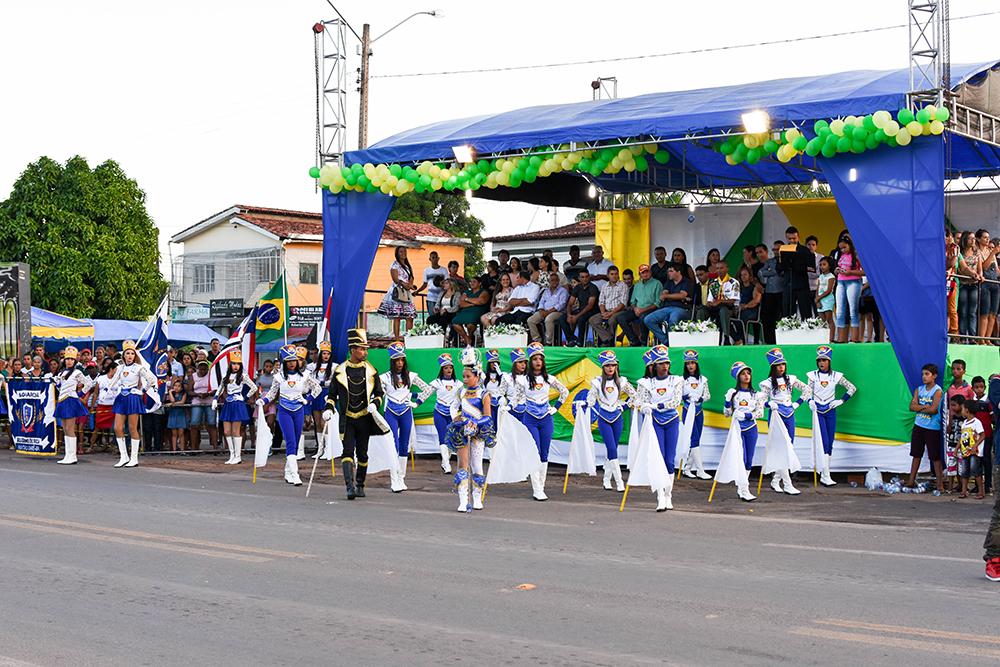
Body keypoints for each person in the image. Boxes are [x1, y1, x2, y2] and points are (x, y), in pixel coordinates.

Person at [324, 329, 387, 499]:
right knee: (347, 452)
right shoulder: (339, 371)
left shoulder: (372, 371)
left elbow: (380, 394)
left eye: (366, 349)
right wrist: (329, 409)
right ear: (352, 350)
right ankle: (349, 486)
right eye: (361, 349)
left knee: (363, 453)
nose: (365, 352)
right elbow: (331, 396)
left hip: (365, 418)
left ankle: (360, 484)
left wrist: (375, 404)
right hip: (347, 418)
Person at [259, 345, 321, 485]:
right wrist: (262, 401)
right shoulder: (278, 377)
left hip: (298, 410)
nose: (292, 363)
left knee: (296, 440)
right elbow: (272, 394)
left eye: (295, 360)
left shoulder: (305, 375)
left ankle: (288, 472)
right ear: (284, 362)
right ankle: (295, 473)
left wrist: (307, 400)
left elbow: (317, 388)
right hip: (284, 411)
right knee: (291, 442)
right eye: (289, 360)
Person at [379, 341, 432, 493]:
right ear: (392, 361)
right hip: (391, 412)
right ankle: (393, 478)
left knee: (404, 445)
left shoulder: (411, 376)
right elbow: (379, 394)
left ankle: (401, 477)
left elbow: (428, 389)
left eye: (402, 359)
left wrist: (417, 402)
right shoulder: (385, 378)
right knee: (392, 443)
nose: (400, 363)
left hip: (406, 412)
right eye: (397, 360)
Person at [635, 344, 683, 511]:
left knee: (670, 459)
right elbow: (640, 401)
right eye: (661, 363)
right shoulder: (646, 383)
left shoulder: (676, 380)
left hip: (671, 421)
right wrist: (644, 408)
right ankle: (660, 496)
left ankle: (669, 494)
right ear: (654, 365)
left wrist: (655, 405)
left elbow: (676, 402)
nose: (665, 366)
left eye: (667, 363)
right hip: (655, 422)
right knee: (658, 458)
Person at [519, 343, 568, 501]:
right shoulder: (523, 380)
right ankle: (536, 489)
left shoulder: (549, 378)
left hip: (546, 418)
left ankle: (541, 486)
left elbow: (564, 391)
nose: (538, 362)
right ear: (530, 361)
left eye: (540, 359)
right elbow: (516, 398)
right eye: (535, 359)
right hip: (530, 418)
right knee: (535, 450)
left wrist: (556, 408)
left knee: (545, 452)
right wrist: (508, 406)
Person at [759, 347, 811, 495]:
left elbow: (807, 390)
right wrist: (770, 404)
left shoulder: (791, 379)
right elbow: (760, 401)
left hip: (790, 413)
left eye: (782, 364)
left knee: (789, 447)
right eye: (777, 365)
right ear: (772, 367)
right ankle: (787, 484)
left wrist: (797, 403)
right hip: (776, 415)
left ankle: (775, 480)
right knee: (780, 447)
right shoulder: (767, 383)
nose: (781, 367)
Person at [445, 361, 495, 512]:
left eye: (468, 376)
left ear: (477, 376)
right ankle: (463, 499)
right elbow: (453, 406)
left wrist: (475, 423)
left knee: (477, 465)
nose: (465, 379)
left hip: (477, 433)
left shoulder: (484, 394)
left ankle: (477, 497)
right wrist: (456, 417)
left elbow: (488, 416)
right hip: (462, 431)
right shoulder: (461, 391)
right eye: (463, 377)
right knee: (462, 465)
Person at [805, 346, 856, 486]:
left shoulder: (836, 376)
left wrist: (841, 400)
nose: (822, 363)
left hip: (830, 410)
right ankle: (825, 474)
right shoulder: (812, 376)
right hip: (818, 411)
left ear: (829, 361)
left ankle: (825, 473)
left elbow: (852, 388)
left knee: (830, 442)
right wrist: (810, 401)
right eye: (820, 360)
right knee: (823, 441)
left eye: (825, 360)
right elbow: (807, 392)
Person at [585, 350, 635, 492]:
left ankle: (606, 479)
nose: (611, 368)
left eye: (613, 365)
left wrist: (623, 407)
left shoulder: (622, 381)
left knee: (613, 449)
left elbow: (635, 396)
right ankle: (619, 482)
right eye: (607, 365)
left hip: (617, 418)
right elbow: (591, 398)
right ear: (603, 367)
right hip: (604, 418)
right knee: (612, 449)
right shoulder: (597, 382)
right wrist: (585, 403)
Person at [109, 340, 158, 468]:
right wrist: (108, 389)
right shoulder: (120, 368)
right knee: (117, 428)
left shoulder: (139, 368)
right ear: (123, 355)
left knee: (132, 428)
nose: (129, 355)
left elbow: (151, 380)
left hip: (133, 398)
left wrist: (142, 391)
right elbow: (113, 381)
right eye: (127, 353)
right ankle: (123, 456)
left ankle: (134, 458)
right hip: (121, 397)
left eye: (132, 353)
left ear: (135, 355)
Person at [724, 361, 765, 501]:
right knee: (742, 458)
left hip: (751, 428)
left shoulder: (756, 395)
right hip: (737, 429)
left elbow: (760, 413)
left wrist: (747, 415)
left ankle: (742, 488)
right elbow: (727, 413)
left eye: (748, 373)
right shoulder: (734, 393)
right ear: (737, 377)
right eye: (743, 373)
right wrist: (727, 401)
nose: (747, 376)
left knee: (749, 460)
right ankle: (744, 488)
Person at [212, 350, 257, 465]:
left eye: (237, 363)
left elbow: (254, 387)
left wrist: (245, 398)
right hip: (228, 404)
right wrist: (215, 399)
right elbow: (220, 388)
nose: (235, 366)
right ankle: (232, 454)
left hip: (238, 403)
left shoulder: (243, 375)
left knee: (236, 431)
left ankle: (238, 456)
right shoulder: (226, 376)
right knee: (226, 431)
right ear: (230, 364)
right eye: (233, 363)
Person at [905, 363, 945, 493]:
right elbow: (911, 407)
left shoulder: (938, 391)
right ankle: (911, 481)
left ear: (934, 376)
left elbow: (934, 410)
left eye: (927, 374)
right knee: (916, 454)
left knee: (935, 456)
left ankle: (940, 484)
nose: (924, 377)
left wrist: (919, 406)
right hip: (919, 426)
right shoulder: (919, 389)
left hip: (932, 428)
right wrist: (925, 407)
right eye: (923, 374)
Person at [53, 346, 94, 465]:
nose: (69, 361)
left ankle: (72, 455)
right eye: (67, 359)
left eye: (71, 359)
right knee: (65, 428)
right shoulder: (62, 372)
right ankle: (68, 455)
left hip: (71, 400)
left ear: (75, 360)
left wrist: (79, 393)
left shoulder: (77, 372)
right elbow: (59, 385)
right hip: (62, 400)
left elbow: (89, 383)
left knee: (70, 428)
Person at [679, 350, 712, 480]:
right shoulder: (681, 380)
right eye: (688, 363)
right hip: (687, 411)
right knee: (693, 438)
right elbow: (677, 396)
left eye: (693, 363)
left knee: (697, 439)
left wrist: (701, 398)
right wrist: (684, 396)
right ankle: (700, 470)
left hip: (699, 411)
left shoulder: (703, 379)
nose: (690, 366)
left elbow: (708, 395)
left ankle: (687, 468)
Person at [429, 353, 462, 473]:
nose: (448, 370)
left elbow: (463, 399)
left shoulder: (459, 384)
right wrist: (414, 401)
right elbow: (425, 393)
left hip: (453, 414)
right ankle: (447, 464)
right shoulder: (436, 382)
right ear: (442, 369)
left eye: (450, 367)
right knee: (442, 437)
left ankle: (444, 461)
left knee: (451, 438)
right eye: (446, 367)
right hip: (439, 413)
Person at [644, 264, 691, 345]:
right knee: (648, 319)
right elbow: (662, 295)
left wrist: (668, 296)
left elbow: (682, 295)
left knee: (673, 319)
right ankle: (667, 341)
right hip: (667, 308)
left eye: (671, 271)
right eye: (668, 271)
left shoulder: (686, 282)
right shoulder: (669, 282)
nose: (669, 273)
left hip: (681, 309)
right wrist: (675, 296)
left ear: (678, 272)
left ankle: (673, 342)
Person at [377, 246, 418, 338]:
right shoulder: (394, 264)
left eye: (404, 251)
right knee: (397, 316)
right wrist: (404, 284)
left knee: (410, 316)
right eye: (401, 252)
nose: (403, 253)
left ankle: (408, 337)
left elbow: (411, 277)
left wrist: (410, 285)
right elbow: (395, 279)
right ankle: (397, 338)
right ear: (397, 254)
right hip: (398, 292)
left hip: (406, 293)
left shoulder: (407, 266)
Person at [698, 260, 740, 345]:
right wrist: (710, 303)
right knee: (701, 310)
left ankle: (726, 338)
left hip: (730, 308)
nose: (719, 270)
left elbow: (732, 301)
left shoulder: (734, 282)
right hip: (715, 308)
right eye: (717, 268)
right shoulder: (713, 283)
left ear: (727, 269)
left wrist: (720, 301)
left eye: (721, 268)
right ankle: (701, 335)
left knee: (723, 310)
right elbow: (709, 300)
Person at [306, 341, 336, 458]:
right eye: (324, 353)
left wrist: (322, 382)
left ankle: (328, 449)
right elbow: (307, 375)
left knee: (325, 423)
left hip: (327, 394)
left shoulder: (334, 366)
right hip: (316, 394)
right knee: (317, 423)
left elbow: (333, 381)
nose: (326, 356)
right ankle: (320, 449)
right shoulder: (312, 367)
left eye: (328, 354)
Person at [777, 226, 814, 319]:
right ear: (786, 238)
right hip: (788, 284)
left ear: (798, 237)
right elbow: (778, 267)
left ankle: (807, 329)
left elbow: (811, 266)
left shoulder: (804, 250)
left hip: (802, 284)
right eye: (790, 238)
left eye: (794, 238)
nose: (792, 240)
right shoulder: (783, 249)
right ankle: (789, 330)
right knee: (788, 312)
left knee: (805, 311)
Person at [833, 236, 865, 343]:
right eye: (841, 248)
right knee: (840, 311)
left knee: (853, 310)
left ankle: (854, 338)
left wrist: (850, 272)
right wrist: (837, 270)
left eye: (844, 247)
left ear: (850, 245)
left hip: (853, 282)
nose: (843, 250)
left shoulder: (856, 255)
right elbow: (839, 267)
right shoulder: (841, 255)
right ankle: (841, 339)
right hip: (841, 282)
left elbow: (865, 272)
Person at [621, 264, 662, 346]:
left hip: (652, 310)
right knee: (621, 317)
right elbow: (633, 301)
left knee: (643, 317)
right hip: (638, 310)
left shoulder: (657, 284)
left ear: (650, 272)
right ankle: (634, 340)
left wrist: (642, 310)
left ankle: (643, 342)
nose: (645, 274)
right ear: (640, 275)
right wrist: (635, 308)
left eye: (647, 272)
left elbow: (657, 303)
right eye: (643, 273)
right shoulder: (637, 285)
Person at [588, 265, 629, 346]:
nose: (614, 276)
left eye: (616, 274)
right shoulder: (604, 286)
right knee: (593, 320)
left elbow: (622, 304)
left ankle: (607, 341)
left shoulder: (623, 285)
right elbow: (601, 302)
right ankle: (609, 339)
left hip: (619, 311)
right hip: (606, 311)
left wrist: (610, 313)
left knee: (612, 320)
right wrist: (603, 313)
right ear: (608, 275)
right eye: (612, 274)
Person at [558, 268, 599, 346]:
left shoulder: (593, 287)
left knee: (581, 319)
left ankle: (580, 341)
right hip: (581, 309)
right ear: (579, 278)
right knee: (562, 318)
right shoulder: (577, 287)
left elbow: (590, 305)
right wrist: (569, 315)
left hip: (592, 311)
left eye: (586, 276)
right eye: (582, 277)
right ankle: (571, 339)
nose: (585, 279)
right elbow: (570, 303)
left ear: (589, 277)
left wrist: (576, 316)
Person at [528, 272, 568, 345]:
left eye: (556, 280)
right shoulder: (546, 291)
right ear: (549, 282)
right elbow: (541, 302)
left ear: (558, 281)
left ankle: (548, 342)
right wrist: (541, 310)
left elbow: (561, 305)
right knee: (530, 320)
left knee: (548, 319)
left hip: (558, 312)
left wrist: (548, 312)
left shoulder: (563, 291)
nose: (554, 282)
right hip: (544, 311)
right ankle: (537, 340)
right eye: (552, 280)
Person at [958, 398, 987, 499]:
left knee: (976, 471)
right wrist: (957, 448)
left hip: (975, 452)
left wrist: (975, 446)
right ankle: (964, 491)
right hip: (965, 452)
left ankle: (981, 492)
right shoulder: (964, 423)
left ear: (967, 410)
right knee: (964, 472)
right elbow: (962, 438)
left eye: (962, 409)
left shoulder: (976, 422)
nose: (961, 411)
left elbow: (983, 435)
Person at [187, 360, 217, 454]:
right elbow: (189, 391)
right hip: (197, 401)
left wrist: (208, 394)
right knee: (194, 424)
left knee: (211, 424)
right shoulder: (194, 376)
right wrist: (197, 394)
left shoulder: (211, 376)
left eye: (205, 368)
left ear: (207, 368)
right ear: (198, 368)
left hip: (209, 401)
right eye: (201, 368)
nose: (203, 370)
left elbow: (216, 389)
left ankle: (215, 447)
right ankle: (193, 447)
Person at [451, 275, 491, 347]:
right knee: (454, 322)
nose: (471, 283)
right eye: (470, 282)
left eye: (474, 282)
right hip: (465, 311)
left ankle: (470, 337)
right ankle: (467, 339)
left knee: (470, 324)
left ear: (480, 283)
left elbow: (481, 301)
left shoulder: (484, 291)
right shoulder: (467, 292)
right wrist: (473, 303)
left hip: (478, 311)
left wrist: (467, 299)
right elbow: (461, 304)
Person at [957, 231, 982, 343]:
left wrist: (980, 275)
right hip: (963, 284)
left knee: (972, 312)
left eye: (974, 239)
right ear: (965, 239)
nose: (973, 241)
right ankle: (962, 337)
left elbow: (980, 268)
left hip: (974, 285)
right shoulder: (960, 252)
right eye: (970, 238)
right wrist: (973, 274)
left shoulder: (977, 253)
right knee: (962, 311)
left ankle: (972, 337)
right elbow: (962, 268)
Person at [757, 243, 784, 344]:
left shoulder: (786, 261)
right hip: (769, 292)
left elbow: (783, 273)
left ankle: (780, 340)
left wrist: (771, 272)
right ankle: (769, 341)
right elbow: (760, 272)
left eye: (778, 249)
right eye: (774, 249)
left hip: (781, 292)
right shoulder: (770, 261)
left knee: (779, 317)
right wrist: (773, 272)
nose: (776, 251)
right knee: (768, 318)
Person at [976, 229, 999, 344]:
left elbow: (997, 271)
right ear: (978, 239)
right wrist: (992, 253)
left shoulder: (991, 251)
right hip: (985, 283)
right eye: (985, 237)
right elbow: (984, 267)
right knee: (984, 312)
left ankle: (988, 338)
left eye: (988, 237)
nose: (987, 239)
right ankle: (981, 338)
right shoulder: (978, 252)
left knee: (993, 313)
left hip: (995, 283)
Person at [90, 360, 118, 453]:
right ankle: (91, 445)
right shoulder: (101, 378)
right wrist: (92, 406)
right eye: (116, 370)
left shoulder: (119, 380)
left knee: (114, 428)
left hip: (114, 406)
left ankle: (111, 445)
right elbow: (95, 394)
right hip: (102, 405)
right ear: (111, 369)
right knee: (98, 427)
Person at [733, 265, 762, 345]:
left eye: (745, 274)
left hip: (752, 310)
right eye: (741, 275)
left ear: (749, 275)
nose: (743, 277)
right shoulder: (738, 288)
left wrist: (745, 306)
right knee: (731, 317)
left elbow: (756, 301)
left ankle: (743, 341)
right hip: (740, 310)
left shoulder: (754, 287)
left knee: (741, 318)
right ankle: (739, 339)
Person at [415, 250, 448, 315]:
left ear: (438, 258)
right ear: (430, 259)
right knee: (432, 318)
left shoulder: (444, 270)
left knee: (442, 318)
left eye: (436, 257)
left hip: (442, 298)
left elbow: (448, 283)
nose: (434, 259)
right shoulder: (426, 270)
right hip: (431, 298)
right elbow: (425, 284)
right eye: (433, 257)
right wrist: (417, 291)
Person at [500, 347, 529, 422]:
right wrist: (502, 401)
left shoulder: (529, 378)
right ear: (514, 364)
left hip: (527, 411)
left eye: (524, 362)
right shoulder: (506, 377)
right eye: (520, 362)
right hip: (511, 410)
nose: (523, 365)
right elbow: (501, 393)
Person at [815, 256, 836, 341]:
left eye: (824, 264)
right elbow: (818, 288)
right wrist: (817, 300)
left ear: (829, 266)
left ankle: (831, 339)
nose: (821, 267)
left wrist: (818, 298)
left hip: (828, 299)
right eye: (820, 265)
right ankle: (824, 339)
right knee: (822, 321)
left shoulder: (831, 276)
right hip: (820, 300)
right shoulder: (820, 276)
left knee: (829, 319)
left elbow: (828, 290)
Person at [165, 378, 189, 453]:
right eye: (175, 386)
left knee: (181, 433)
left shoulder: (184, 394)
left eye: (179, 386)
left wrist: (172, 404)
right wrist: (170, 392)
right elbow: (172, 400)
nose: (176, 387)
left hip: (180, 414)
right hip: (173, 414)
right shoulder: (171, 393)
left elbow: (182, 402)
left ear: (181, 387)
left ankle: (182, 450)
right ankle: (174, 450)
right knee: (174, 433)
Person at [483, 350, 504, 432]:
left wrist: (500, 373)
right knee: (490, 424)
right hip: (489, 403)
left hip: (500, 403)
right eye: (492, 362)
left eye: (496, 362)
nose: (494, 364)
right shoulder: (484, 375)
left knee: (500, 424)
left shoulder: (502, 376)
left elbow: (506, 383)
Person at [805, 235, 822, 315]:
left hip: (817, 288)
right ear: (805, 245)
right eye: (809, 244)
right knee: (807, 312)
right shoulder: (802, 257)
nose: (811, 246)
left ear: (816, 246)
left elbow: (819, 274)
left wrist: (807, 273)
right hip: (805, 288)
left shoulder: (821, 257)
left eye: (813, 245)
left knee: (818, 312)